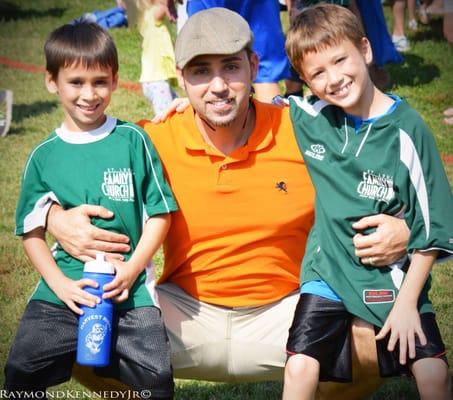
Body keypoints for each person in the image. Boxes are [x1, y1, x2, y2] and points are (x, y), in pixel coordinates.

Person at [46, 8, 410, 399]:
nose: (218, 86)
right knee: (61, 330)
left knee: (369, 338)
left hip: (288, 309)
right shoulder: (149, 141)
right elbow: (64, 173)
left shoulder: (303, 130)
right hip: (183, 311)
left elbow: (399, 182)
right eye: (201, 72)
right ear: (181, 76)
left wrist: (404, 229)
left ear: (254, 66)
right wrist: (56, 218)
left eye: (231, 68)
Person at [282, 4, 453, 400]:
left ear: (366, 49)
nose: (334, 79)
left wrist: (409, 303)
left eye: (340, 60)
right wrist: (187, 107)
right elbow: (255, 111)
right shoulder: (311, 117)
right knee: (299, 368)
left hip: (392, 280)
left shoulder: (407, 129)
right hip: (326, 273)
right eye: (317, 73)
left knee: (433, 375)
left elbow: (436, 225)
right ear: (305, 81)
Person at [4, 21, 178, 399]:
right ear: (52, 81)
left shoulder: (134, 140)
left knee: (157, 378)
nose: (89, 94)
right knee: (21, 371)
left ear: (115, 80)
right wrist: (60, 284)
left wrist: (132, 271)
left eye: (100, 81)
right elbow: (31, 233)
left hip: (129, 288)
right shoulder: (44, 157)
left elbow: (161, 214)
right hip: (64, 287)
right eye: (76, 82)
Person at [137, 0, 178, 114]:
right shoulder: (152, 14)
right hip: (157, 82)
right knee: (166, 117)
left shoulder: (149, 17)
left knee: (177, 109)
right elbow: (161, 7)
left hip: (157, 81)